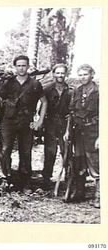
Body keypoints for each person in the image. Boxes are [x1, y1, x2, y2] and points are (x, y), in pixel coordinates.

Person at [0, 55, 47, 191]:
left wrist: (40, 121)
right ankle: (5, 179)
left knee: (25, 151)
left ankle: (25, 182)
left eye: (24, 65)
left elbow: (44, 102)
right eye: (18, 65)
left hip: (26, 121)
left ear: (28, 66)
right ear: (15, 67)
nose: (21, 68)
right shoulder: (8, 82)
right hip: (9, 120)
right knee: (5, 149)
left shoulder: (35, 84)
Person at [63, 64, 99, 208]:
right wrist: (67, 131)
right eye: (80, 75)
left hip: (93, 132)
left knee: (95, 163)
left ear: (92, 75)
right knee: (78, 162)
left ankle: (100, 196)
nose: (83, 77)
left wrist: (101, 137)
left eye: (85, 74)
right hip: (78, 132)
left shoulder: (99, 92)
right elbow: (71, 113)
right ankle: (79, 192)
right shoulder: (76, 91)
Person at [42, 64, 72, 189]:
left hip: (65, 125)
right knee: (50, 152)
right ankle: (46, 180)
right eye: (57, 73)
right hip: (51, 124)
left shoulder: (71, 90)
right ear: (54, 74)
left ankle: (69, 180)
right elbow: (41, 106)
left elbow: (73, 108)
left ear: (66, 74)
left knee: (67, 152)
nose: (60, 75)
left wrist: (70, 119)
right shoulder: (47, 89)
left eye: (62, 73)